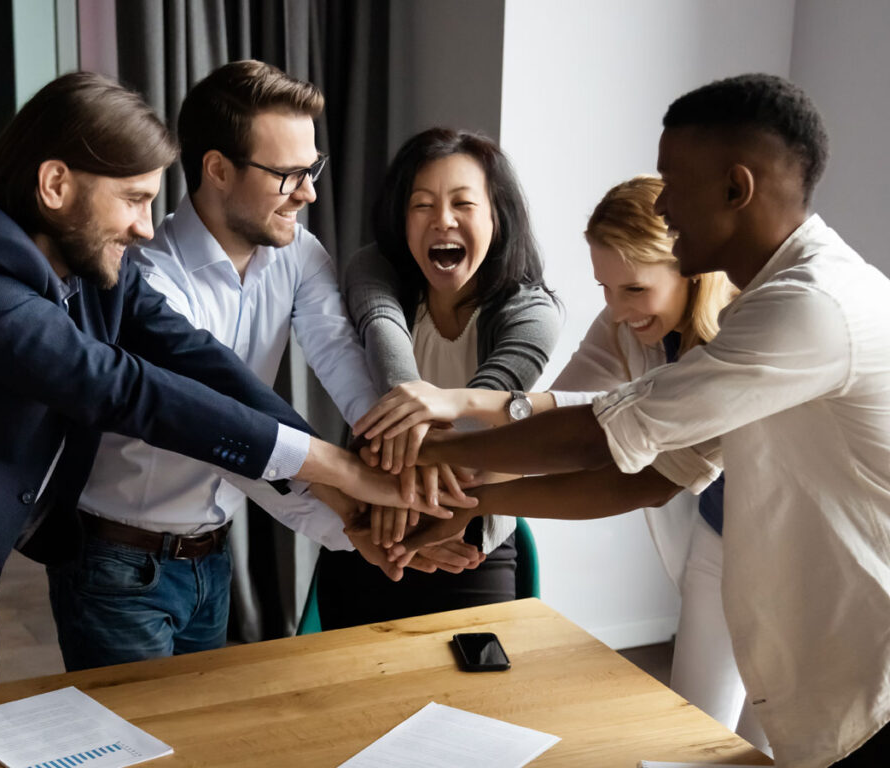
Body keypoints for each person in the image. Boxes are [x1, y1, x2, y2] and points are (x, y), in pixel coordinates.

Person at [0, 72, 454, 705]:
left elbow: (198, 360)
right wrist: (337, 470)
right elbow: (129, 390)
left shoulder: (78, 253)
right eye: (134, 200)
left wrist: (331, 478)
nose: (147, 228)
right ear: (56, 185)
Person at [378, 74, 890, 766]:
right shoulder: (764, 306)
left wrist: (428, 459)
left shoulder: (810, 306)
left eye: (673, 182)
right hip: (825, 667)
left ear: (737, 188)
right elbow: (648, 479)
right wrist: (476, 502)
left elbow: (600, 435)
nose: (665, 205)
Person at [47, 61, 479, 671]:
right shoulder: (150, 279)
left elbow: (340, 356)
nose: (309, 192)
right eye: (289, 175)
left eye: (313, 168)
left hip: (213, 554)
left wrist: (399, 456)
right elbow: (226, 436)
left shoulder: (298, 253)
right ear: (218, 169)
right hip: (119, 565)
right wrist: (353, 514)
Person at [356, 175, 763, 744]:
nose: (617, 311)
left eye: (635, 290)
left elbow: (615, 453)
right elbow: (558, 427)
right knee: (697, 733)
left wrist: (457, 414)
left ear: (690, 265)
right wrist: (457, 495)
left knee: (775, 740)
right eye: (605, 288)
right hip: (720, 535)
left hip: (798, 551)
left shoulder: (742, 341)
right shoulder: (626, 324)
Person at [314, 127, 562, 628]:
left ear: (497, 215)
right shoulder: (374, 270)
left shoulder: (532, 312)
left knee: (475, 696)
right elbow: (396, 377)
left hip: (468, 538)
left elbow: (479, 416)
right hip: (375, 532)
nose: (442, 220)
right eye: (421, 205)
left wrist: (402, 487)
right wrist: (397, 499)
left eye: (463, 204)